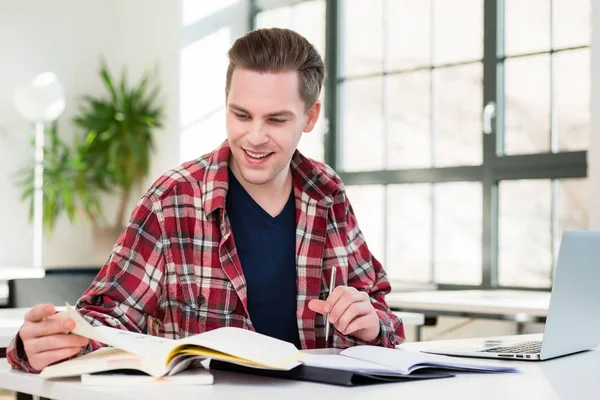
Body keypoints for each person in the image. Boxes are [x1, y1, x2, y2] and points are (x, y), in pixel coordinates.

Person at [7, 27, 405, 373]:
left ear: (311, 116)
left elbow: (384, 316)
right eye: (241, 115)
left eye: (277, 120)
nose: (254, 136)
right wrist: (44, 344)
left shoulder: (327, 194)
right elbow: (106, 319)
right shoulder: (172, 199)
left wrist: (370, 324)